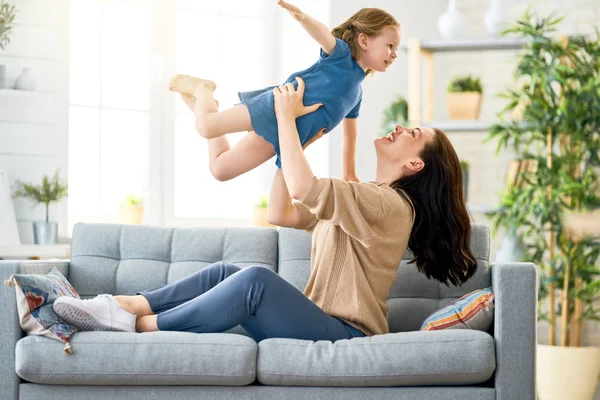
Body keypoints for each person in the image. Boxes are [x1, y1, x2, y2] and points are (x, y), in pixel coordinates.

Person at [52, 77, 477, 342]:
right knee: (226, 273)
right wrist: (291, 137)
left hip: (343, 333)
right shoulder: (365, 196)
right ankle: (123, 305)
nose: (400, 126)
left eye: (413, 132)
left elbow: (303, 186)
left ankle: (134, 325)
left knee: (255, 280)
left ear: (414, 164)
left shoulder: (389, 204)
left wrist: (287, 121)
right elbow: (283, 212)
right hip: (313, 322)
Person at [167, 1, 401, 182]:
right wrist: (302, 17)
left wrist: (349, 173)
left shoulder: (357, 94)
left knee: (220, 170)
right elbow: (323, 36)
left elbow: (350, 136)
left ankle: (208, 106)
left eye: (396, 49)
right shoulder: (340, 57)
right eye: (390, 46)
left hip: (286, 135)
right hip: (276, 107)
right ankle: (203, 89)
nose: (394, 54)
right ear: (364, 40)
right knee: (206, 127)